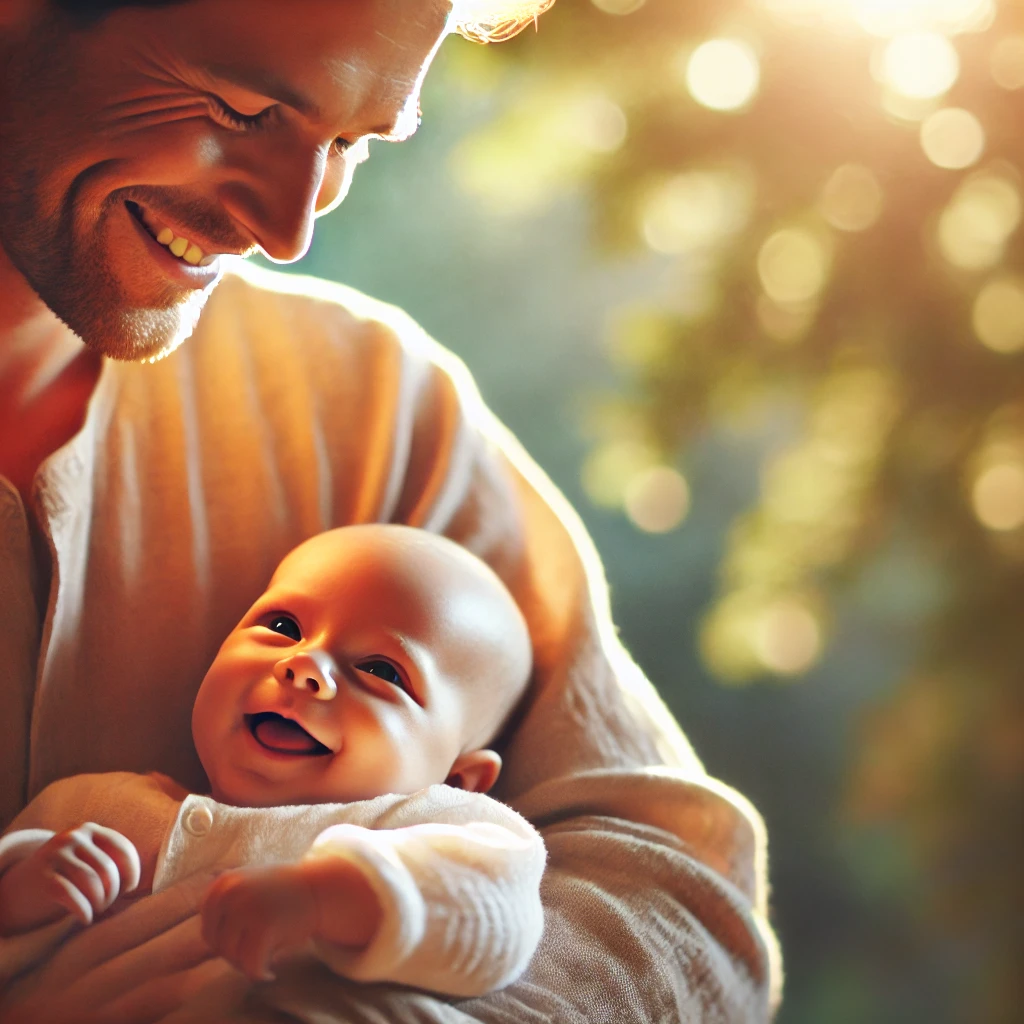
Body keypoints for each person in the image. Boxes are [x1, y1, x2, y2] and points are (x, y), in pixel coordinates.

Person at [0, 0, 782, 1021]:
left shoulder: (375, 409)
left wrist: (341, 1005)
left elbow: (683, 911)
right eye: (242, 110)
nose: (286, 231)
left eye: (348, 144)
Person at [0, 524, 546, 996]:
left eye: (381, 670)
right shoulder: (92, 809)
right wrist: (20, 892)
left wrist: (326, 899)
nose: (303, 664)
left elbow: (499, 917)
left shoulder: (425, 828)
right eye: (284, 627)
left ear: (459, 779)